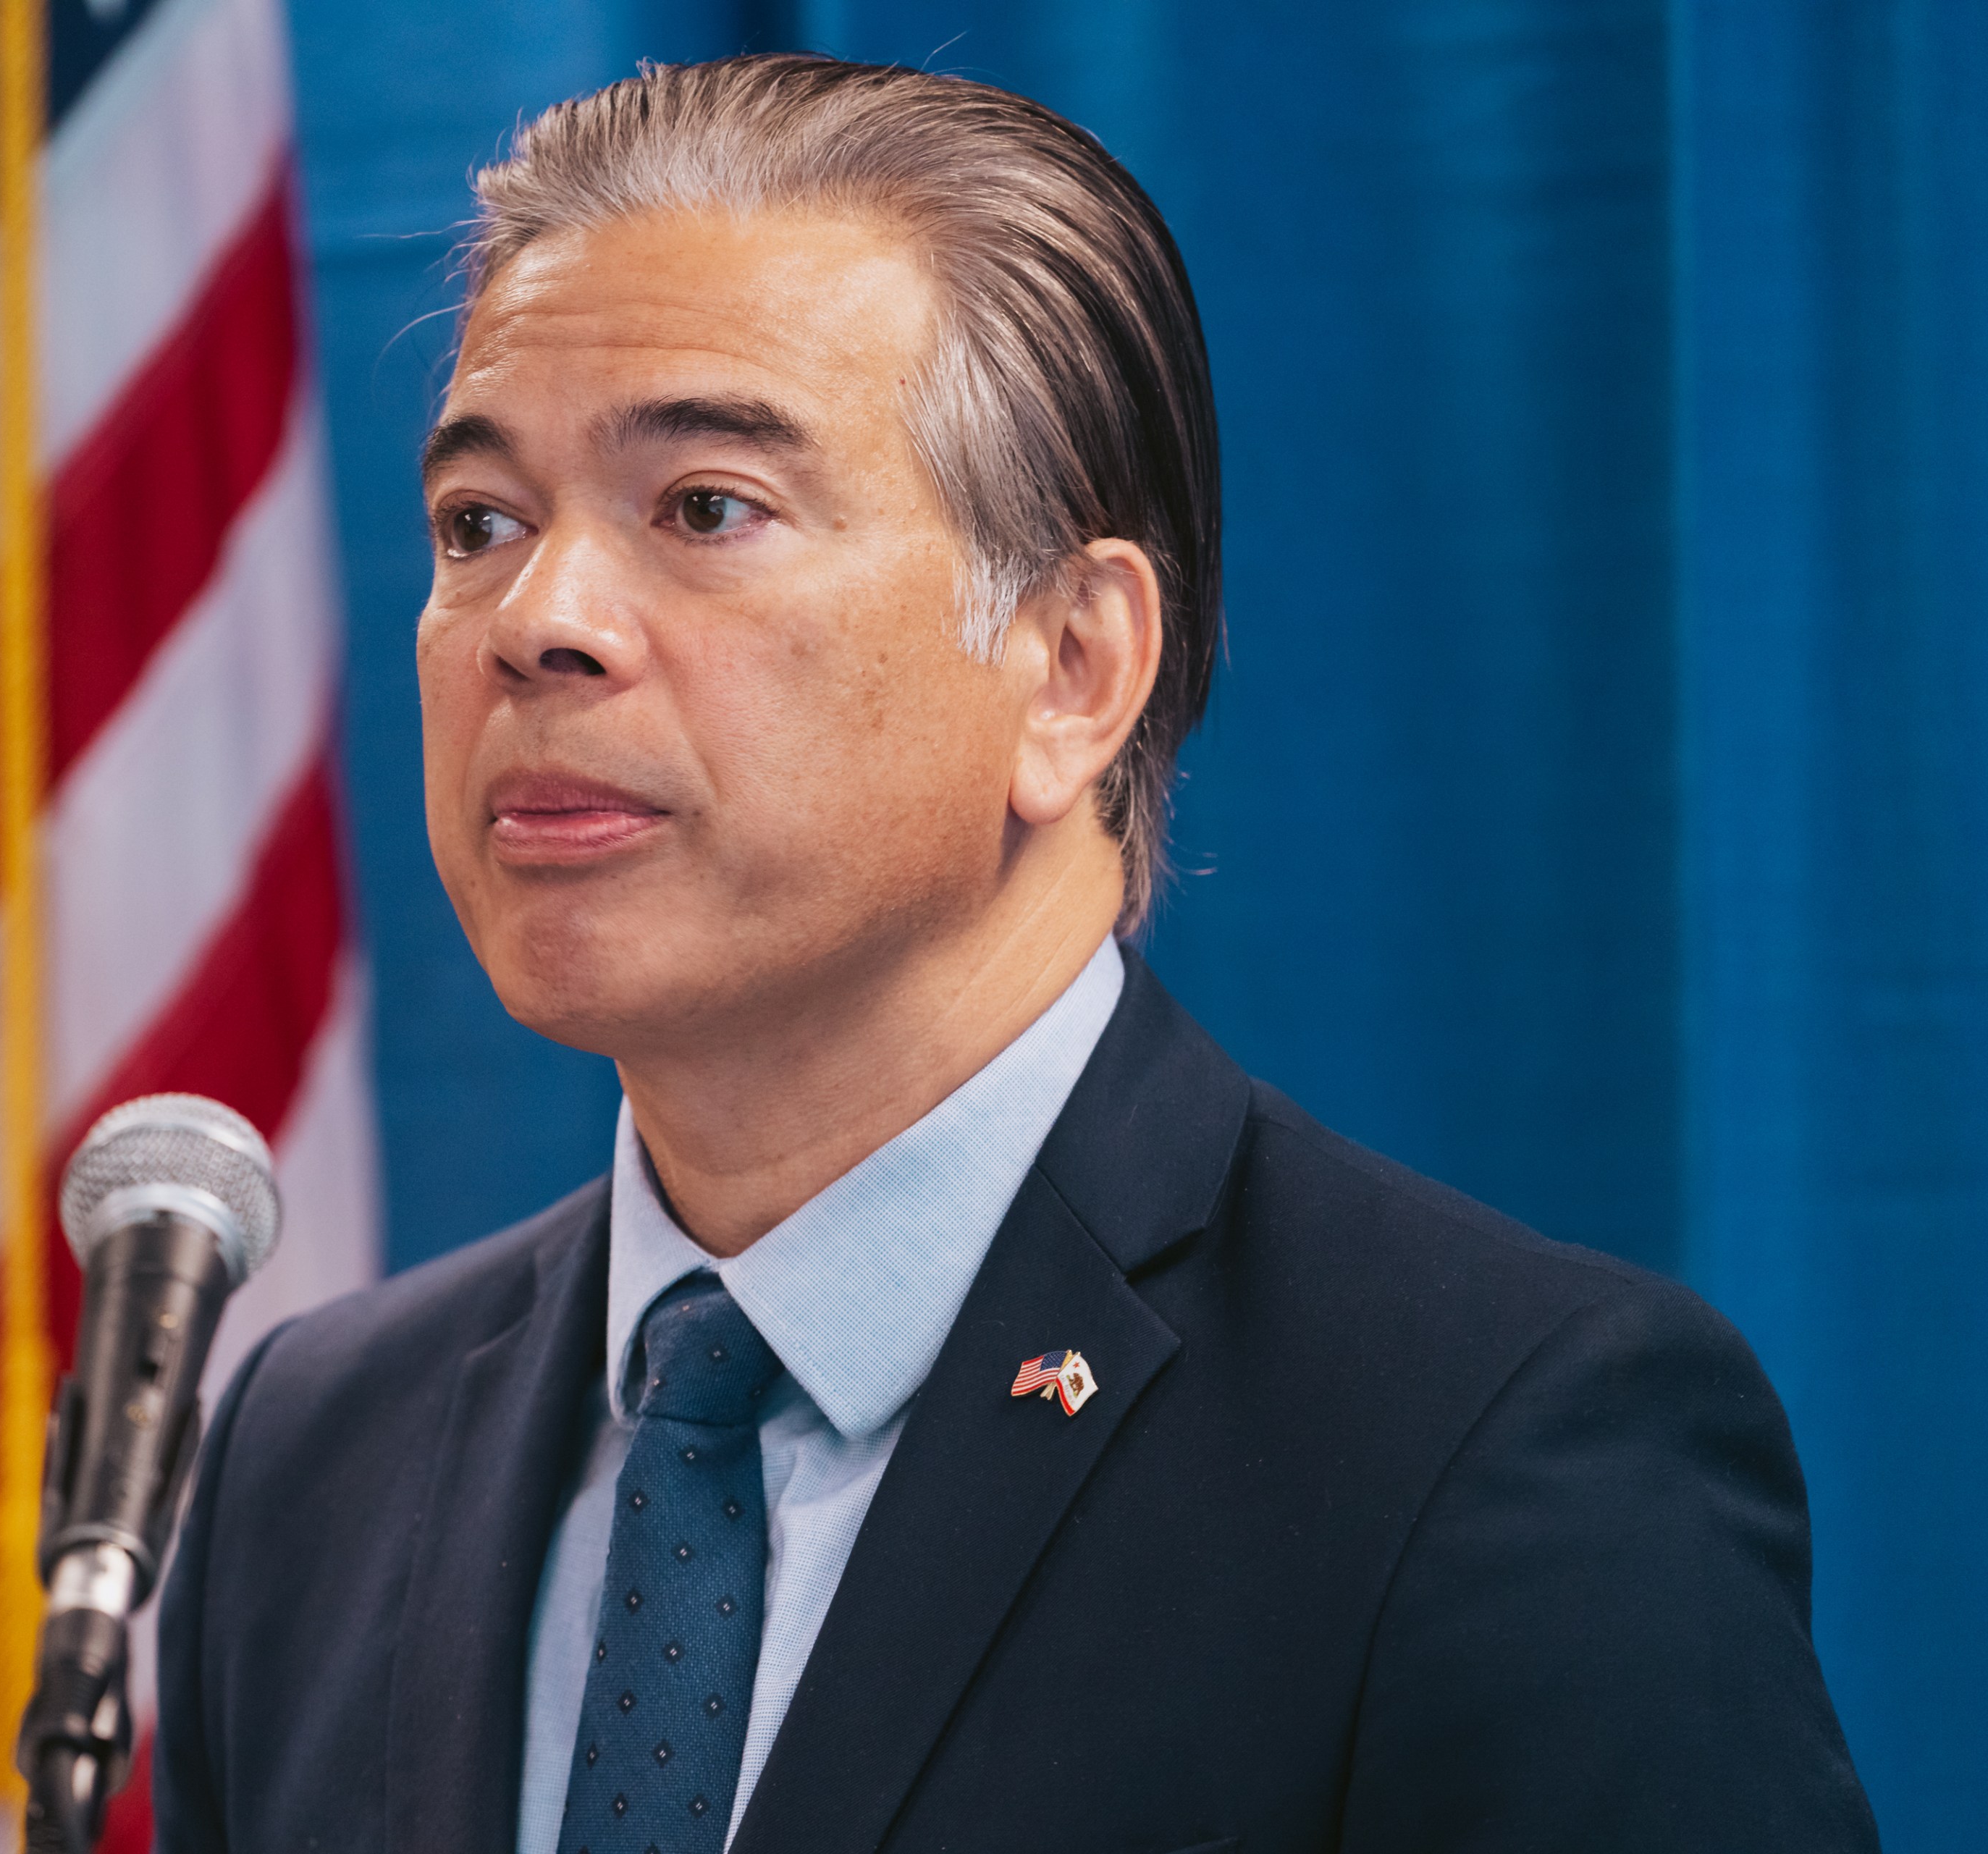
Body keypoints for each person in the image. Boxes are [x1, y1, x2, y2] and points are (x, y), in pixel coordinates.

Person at [153, 54, 1877, 1853]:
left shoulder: (1495, 1455)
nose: (541, 625)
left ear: (1071, 669)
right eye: (479, 526)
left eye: (708, 508)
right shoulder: (308, 1458)